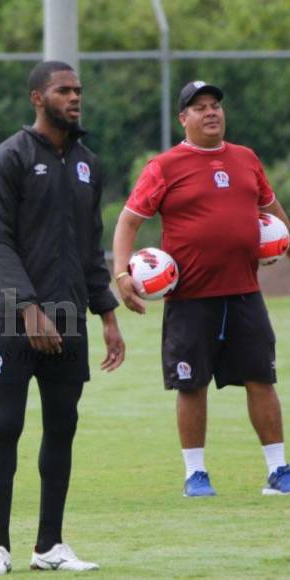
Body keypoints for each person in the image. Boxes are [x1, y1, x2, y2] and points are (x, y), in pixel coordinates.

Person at [0, 61, 125, 575]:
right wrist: (30, 308)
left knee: (62, 427)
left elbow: (90, 247)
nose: (75, 97)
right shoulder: (9, 158)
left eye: (79, 89)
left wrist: (106, 312)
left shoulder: (88, 162)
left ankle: (49, 546)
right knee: (7, 426)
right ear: (38, 97)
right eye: (65, 90)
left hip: (70, 319)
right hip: (14, 318)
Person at [113, 80, 290, 497]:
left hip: (244, 293)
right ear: (183, 119)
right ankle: (196, 474)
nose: (210, 112)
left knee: (261, 379)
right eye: (199, 107)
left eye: (215, 105)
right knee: (191, 385)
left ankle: (279, 470)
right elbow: (128, 221)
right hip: (190, 298)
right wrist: (121, 274)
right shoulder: (165, 166)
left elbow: (272, 211)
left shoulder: (246, 159)